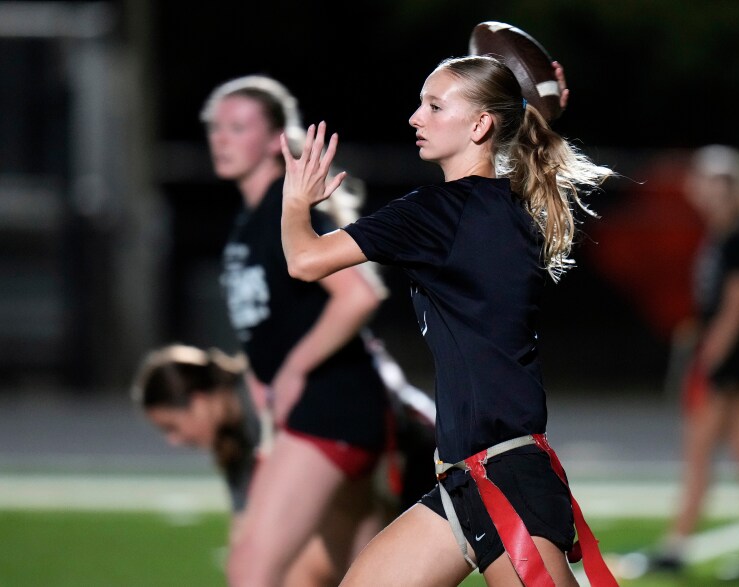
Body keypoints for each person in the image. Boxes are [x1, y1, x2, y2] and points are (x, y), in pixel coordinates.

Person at [277, 56, 618, 587]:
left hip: (502, 480)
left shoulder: (435, 213)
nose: (416, 117)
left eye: (434, 106)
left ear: (481, 125)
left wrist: (296, 201)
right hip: (466, 481)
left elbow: (304, 260)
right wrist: (537, 103)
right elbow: (517, 127)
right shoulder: (515, 204)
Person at [200, 75, 395, 587]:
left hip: (327, 406)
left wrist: (291, 369)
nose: (220, 138)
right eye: (214, 127)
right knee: (361, 574)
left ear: (272, 140)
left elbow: (359, 295)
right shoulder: (251, 220)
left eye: (236, 127)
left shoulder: (288, 212)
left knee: (250, 570)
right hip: (325, 411)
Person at [651, 145, 739, 576]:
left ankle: (675, 547)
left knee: (701, 451)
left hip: (730, 361)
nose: (700, 188)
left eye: (709, 181)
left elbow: (737, 307)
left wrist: (709, 360)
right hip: (733, 357)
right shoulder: (725, 235)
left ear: (728, 188)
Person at [130, 344, 338, 586]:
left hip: (360, 487)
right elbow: (242, 533)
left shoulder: (266, 394)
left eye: (172, 427)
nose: (174, 440)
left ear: (198, 402)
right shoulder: (232, 440)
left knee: (299, 572)